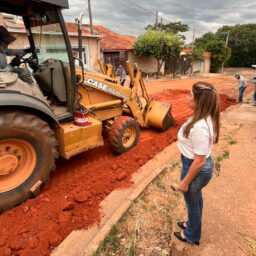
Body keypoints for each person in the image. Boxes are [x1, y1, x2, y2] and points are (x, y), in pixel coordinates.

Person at [174, 81, 220, 246]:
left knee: (192, 202)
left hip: (195, 168)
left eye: (190, 95)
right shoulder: (202, 117)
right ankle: (192, 224)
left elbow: (199, 161)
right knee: (196, 199)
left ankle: (191, 235)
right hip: (195, 166)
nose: (187, 98)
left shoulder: (200, 127)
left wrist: (185, 182)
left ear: (199, 101)